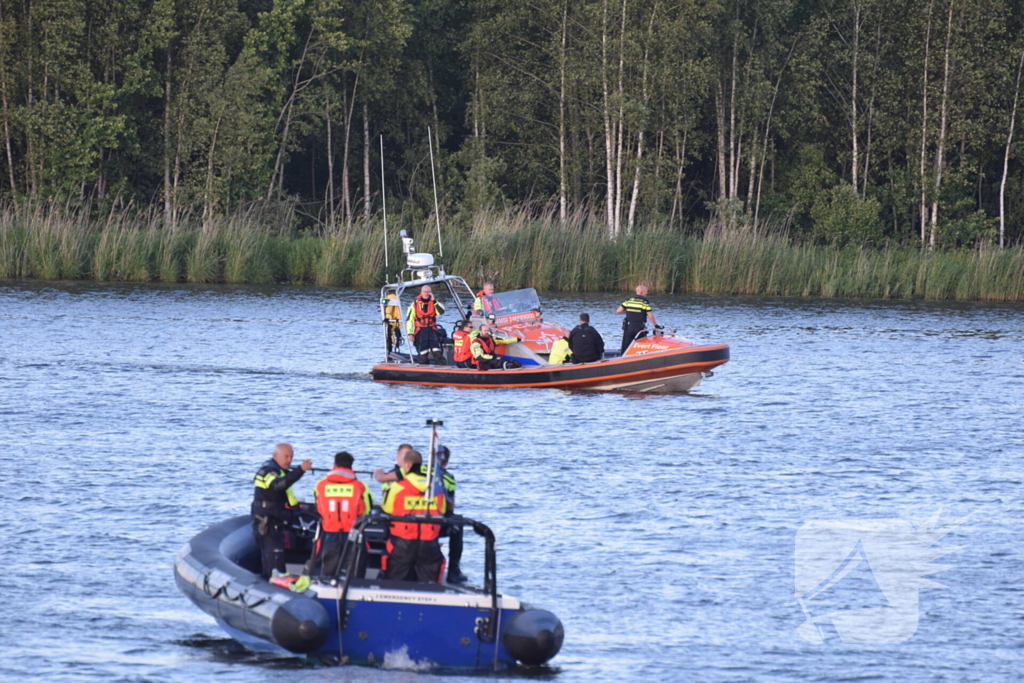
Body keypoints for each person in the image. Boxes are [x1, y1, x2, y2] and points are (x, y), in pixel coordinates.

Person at [381, 449, 447, 582]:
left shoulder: (397, 487)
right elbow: (443, 510)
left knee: (396, 580)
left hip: (402, 541)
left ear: (406, 465)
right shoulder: (437, 488)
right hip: (429, 542)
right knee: (428, 583)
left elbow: (387, 509)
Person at [252, 443, 312, 578]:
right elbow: (279, 485)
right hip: (267, 523)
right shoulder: (268, 471)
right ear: (276, 456)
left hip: (278, 521)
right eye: (286, 457)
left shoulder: (281, 472)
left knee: (278, 561)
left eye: (291, 457)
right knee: (274, 561)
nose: (289, 460)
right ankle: (272, 585)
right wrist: (300, 469)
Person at [313, 451, 373, 576]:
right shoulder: (361, 486)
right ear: (351, 466)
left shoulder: (321, 485)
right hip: (353, 532)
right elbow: (366, 510)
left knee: (327, 570)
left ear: (334, 465)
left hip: (329, 532)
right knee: (353, 570)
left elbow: (318, 507)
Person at [436, 445, 466, 583]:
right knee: (458, 524)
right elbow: (450, 507)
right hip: (436, 522)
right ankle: (454, 570)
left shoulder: (417, 473)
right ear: (446, 462)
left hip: (407, 522)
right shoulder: (448, 478)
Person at [405, 285, 446, 363]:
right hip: (420, 331)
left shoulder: (435, 303)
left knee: (436, 351)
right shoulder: (414, 304)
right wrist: (410, 333)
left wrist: (434, 301)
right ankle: (423, 368)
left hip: (432, 330)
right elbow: (409, 320)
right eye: (424, 291)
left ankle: (441, 367)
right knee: (422, 352)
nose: (426, 293)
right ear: (421, 292)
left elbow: (441, 312)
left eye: (428, 291)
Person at [616, 285, 658, 355]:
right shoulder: (644, 302)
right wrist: (656, 325)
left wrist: (629, 311)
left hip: (628, 327)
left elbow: (618, 311)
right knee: (640, 345)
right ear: (642, 292)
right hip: (639, 327)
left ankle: (623, 357)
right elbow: (651, 316)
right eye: (646, 292)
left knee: (626, 345)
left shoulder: (629, 300)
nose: (647, 293)